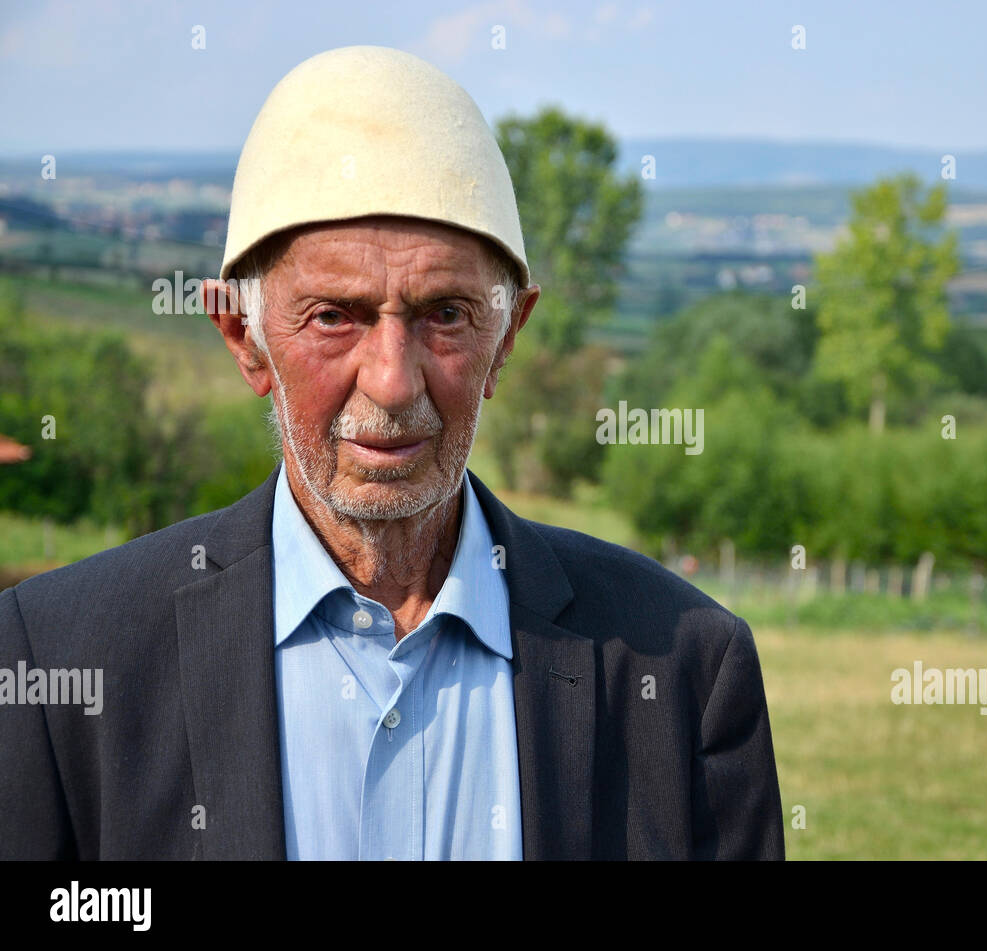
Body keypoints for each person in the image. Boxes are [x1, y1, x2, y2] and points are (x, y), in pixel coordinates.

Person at [0, 46, 783, 860]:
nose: (393, 379)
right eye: (335, 316)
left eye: (445, 313)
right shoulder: (59, 664)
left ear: (508, 333)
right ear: (244, 335)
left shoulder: (682, 668)